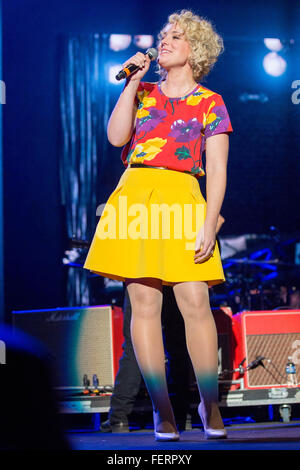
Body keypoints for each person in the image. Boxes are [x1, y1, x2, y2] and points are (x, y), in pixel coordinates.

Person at [84, 9, 233, 441]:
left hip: (183, 199)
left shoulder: (210, 102)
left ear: (196, 50)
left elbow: (218, 170)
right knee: (144, 308)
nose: (164, 41)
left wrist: (209, 223)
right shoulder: (143, 90)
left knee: (194, 302)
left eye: (175, 37)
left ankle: (209, 405)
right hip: (136, 197)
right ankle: (162, 411)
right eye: (163, 35)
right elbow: (116, 137)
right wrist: (132, 83)